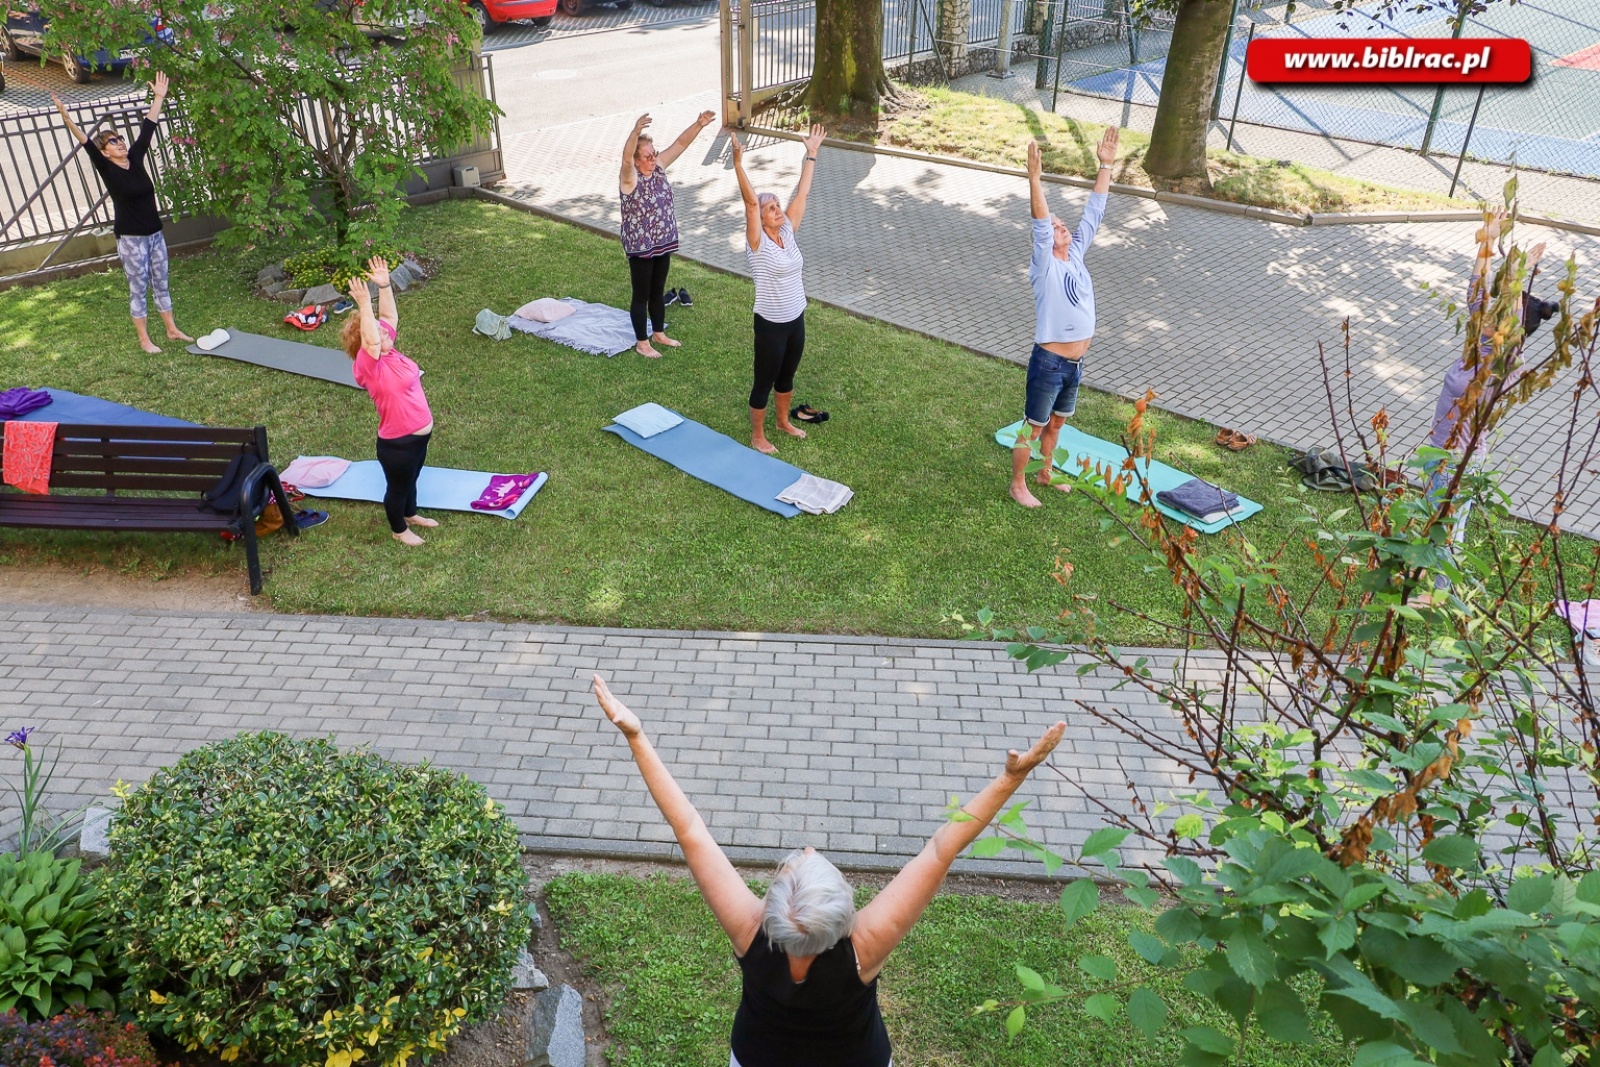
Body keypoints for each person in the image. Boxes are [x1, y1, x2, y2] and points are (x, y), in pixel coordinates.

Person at [592, 673, 1066, 1067]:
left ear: (771, 912)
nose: (811, 846)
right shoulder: (863, 949)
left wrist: (636, 736)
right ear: (846, 922)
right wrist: (1011, 778)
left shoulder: (749, 930)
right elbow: (941, 851)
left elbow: (689, 828)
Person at [1419, 217, 1548, 597]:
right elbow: (1476, 293)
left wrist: (1519, 275)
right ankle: (1432, 580)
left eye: (1499, 316)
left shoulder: (1507, 364)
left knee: (1448, 527)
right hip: (1437, 448)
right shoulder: (1478, 347)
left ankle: (1440, 595)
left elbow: (1503, 307)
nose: (1487, 314)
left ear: (1512, 328)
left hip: (1459, 458)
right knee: (1433, 520)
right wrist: (1487, 243)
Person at [1012, 129, 1119, 508]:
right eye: (1058, 227)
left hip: (1075, 363)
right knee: (1035, 424)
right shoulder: (1043, 267)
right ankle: (1018, 483)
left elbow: (1096, 210)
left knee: (1057, 423)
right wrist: (1035, 180)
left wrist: (1105, 165)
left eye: (1063, 226)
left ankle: (1046, 471)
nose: (1064, 229)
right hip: (1050, 362)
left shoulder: (1074, 255)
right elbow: (1040, 225)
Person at [52, 73, 191, 354]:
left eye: (120, 139)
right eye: (113, 142)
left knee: (162, 282)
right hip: (131, 239)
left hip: (155, 234)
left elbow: (148, 127)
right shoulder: (107, 168)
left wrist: (159, 97)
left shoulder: (136, 159)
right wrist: (67, 118)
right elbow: (85, 143)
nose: (120, 143)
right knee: (138, 288)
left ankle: (172, 329)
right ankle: (144, 339)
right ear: (105, 153)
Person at [730, 125, 825, 455]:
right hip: (770, 324)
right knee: (764, 380)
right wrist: (739, 165)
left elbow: (803, 193)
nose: (777, 209)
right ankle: (758, 435)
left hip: (795, 318)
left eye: (776, 206)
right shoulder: (757, 244)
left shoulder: (787, 228)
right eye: (771, 208)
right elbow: (750, 203)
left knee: (787, 375)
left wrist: (810, 153)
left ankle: (783, 420)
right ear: (763, 217)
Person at [342, 255, 438, 547]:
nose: (385, 332)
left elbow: (390, 319)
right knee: (398, 487)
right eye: (379, 333)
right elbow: (372, 338)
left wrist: (383, 286)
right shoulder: (370, 365)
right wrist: (362, 305)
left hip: (419, 436)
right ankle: (399, 529)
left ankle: (410, 514)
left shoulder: (389, 352)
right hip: (398, 444)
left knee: (412, 480)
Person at [621, 110, 716, 358]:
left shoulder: (659, 168)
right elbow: (625, 159)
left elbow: (680, 144)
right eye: (647, 156)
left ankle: (659, 332)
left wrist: (699, 124)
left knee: (657, 290)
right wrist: (635, 132)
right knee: (641, 296)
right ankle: (642, 342)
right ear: (637, 160)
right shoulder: (630, 178)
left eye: (654, 154)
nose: (653, 158)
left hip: (662, 243)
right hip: (641, 248)